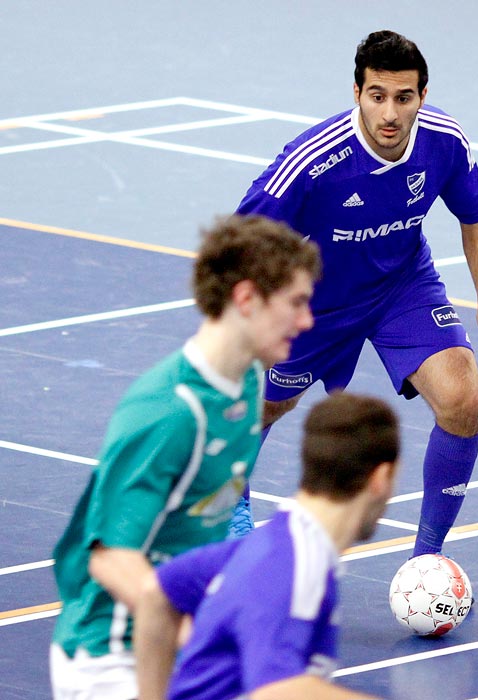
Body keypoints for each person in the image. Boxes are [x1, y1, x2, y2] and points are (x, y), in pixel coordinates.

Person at [232, 29, 478, 558]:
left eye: (403, 98)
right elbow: (243, 239)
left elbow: (476, 216)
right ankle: (231, 508)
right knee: (262, 408)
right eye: (376, 95)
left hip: (400, 286)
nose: (389, 113)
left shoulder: (444, 142)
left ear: (421, 98)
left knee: (464, 400)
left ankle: (428, 557)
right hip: (315, 299)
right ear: (356, 93)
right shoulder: (314, 160)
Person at [49, 215, 321, 700]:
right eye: (296, 303)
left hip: (175, 646)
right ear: (246, 299)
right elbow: (111, 559)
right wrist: (200, 637)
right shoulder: (169, 412)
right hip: (113, 657)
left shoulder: (249, 383)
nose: (307, 321)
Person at [134, 392, 399, 700]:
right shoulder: (299, 565)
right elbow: (276, 691)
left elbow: (157, 592)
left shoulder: (268, 542)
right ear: (381, 478)